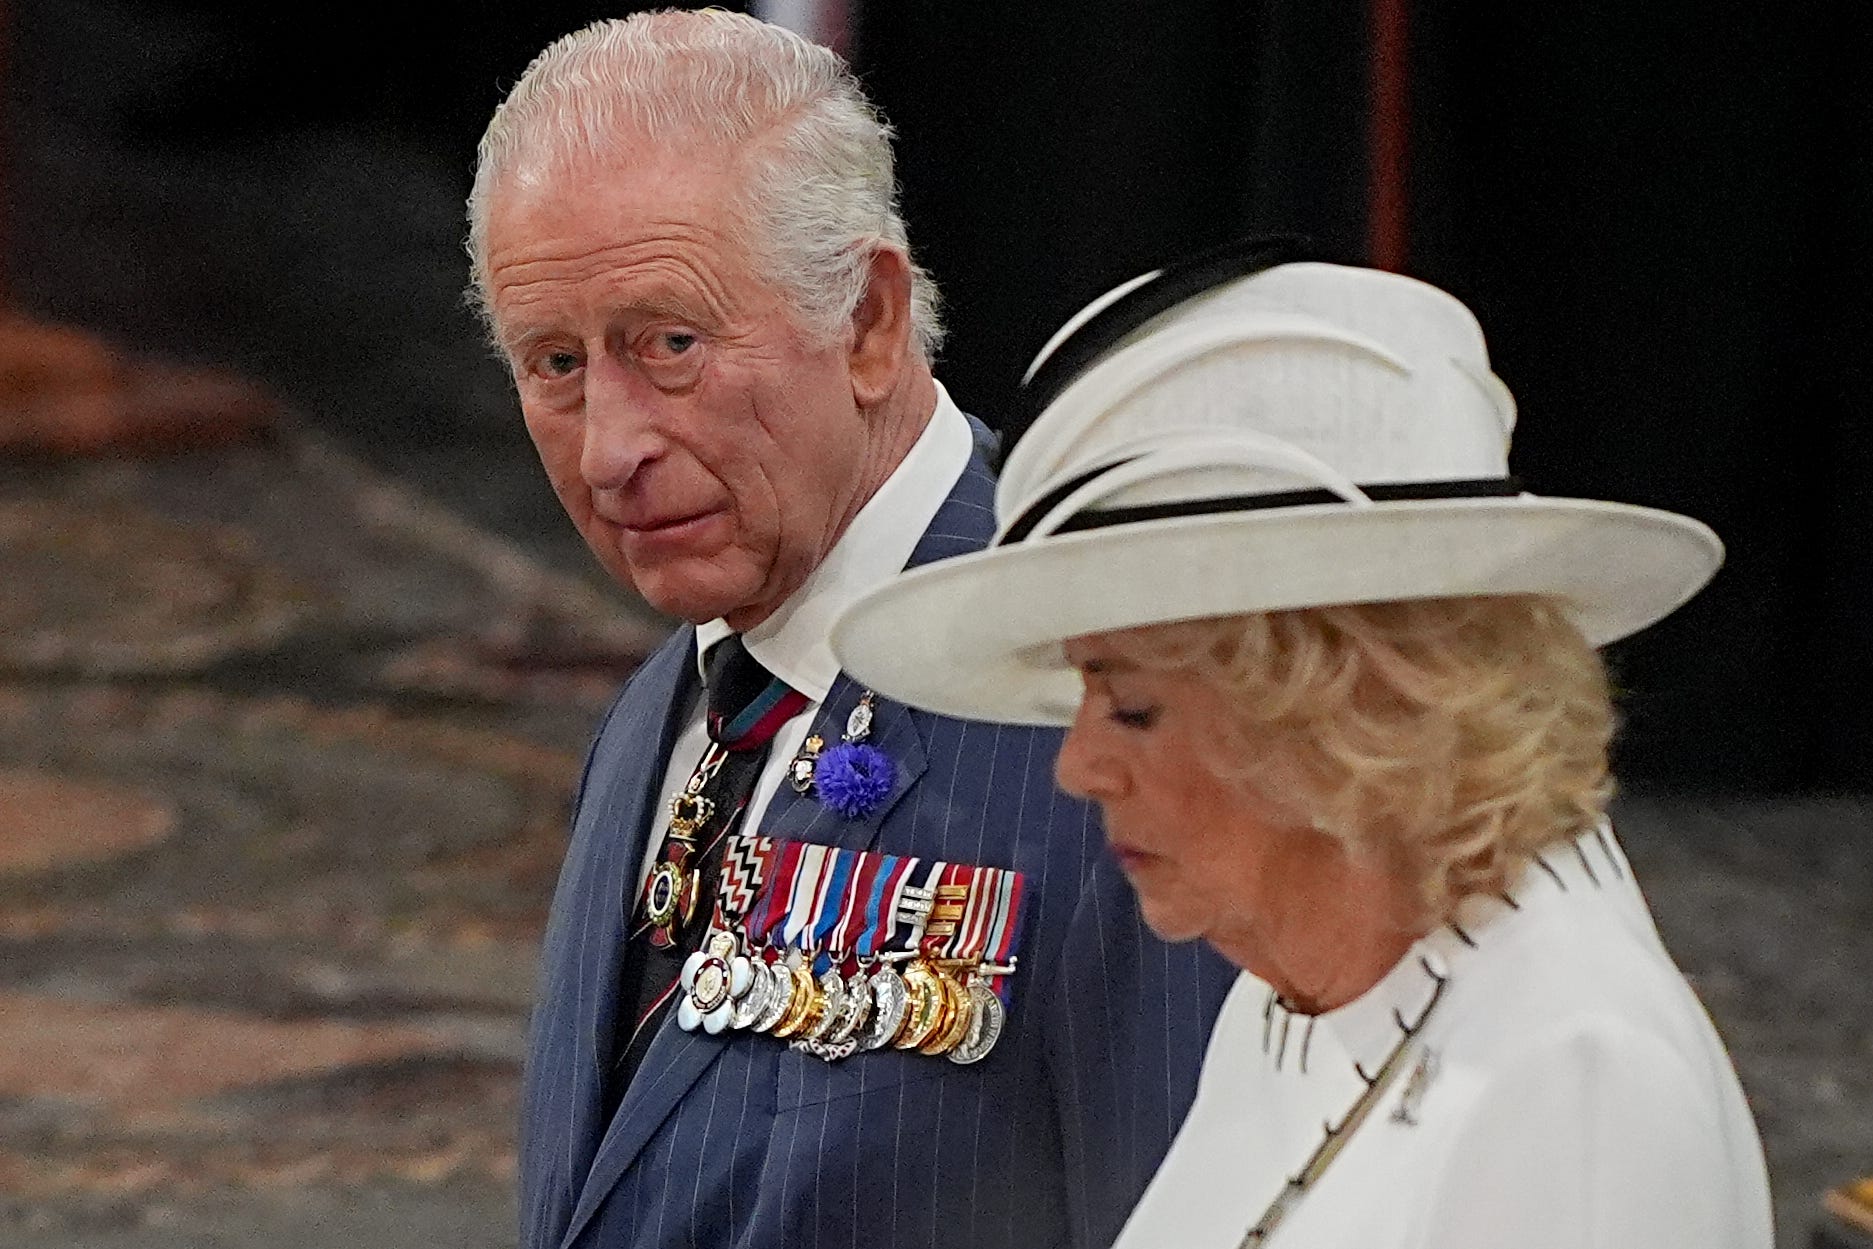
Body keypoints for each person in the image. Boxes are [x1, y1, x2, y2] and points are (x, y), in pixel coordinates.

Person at [831, 244, 1775, 1248]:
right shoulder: (1299, 987)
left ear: (1352, 714)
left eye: (1132, 705)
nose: (1078, 767)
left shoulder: (1578, 1086)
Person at [465, 13, 1232, 1249]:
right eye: (555, 363)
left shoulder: (1105, 711)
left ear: (869, 322)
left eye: (671, 345)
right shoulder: (676, 698)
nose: (611, 450)